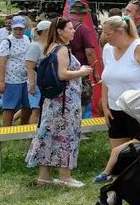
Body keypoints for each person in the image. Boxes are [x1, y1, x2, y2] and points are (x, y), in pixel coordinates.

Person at [95, 15, 140, 183]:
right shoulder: (108, 50)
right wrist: (105, 104)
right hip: (114, 107)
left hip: (137, 109)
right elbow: (107, 78)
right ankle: (117, 192)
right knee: (118, 154)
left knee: (137, 154)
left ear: (119, 32)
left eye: (107, 33)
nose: (104, 37)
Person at [26, 17, 91, 187]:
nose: (73, 31)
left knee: (48, 134)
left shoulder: (50, 47)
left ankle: (44, 176)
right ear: (60, 31)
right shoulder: (61, 49)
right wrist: (82, 71)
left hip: (54, 100)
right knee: (65, 135)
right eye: (70, 28)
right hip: (65, 102)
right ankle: (65, 177)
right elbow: (62, 74)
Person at [0, 16, 36, 126]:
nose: (18, 31)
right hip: (11, 79)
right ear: (12, 29)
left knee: (28, 106)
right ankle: (6, 132)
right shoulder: (6, 42)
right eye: (16, 29)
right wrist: (1, 81)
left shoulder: (27, 39)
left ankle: (23, 128)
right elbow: (2, 63)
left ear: (25, 28)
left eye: (20, 29)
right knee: (9, 107)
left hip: (26, 78)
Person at [67, 0, 101, 118]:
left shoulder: (61, 26)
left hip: (63, 69)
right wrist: (96, 72)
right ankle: (79, 127)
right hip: (80, 70)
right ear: (82, 14)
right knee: (83, 98)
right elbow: (90, 53)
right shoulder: (83, 29)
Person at [22, 18, 52, 128]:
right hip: (36, 83)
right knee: (36, 110)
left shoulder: (48, 45)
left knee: (44, 110)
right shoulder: (35, 46)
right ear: (45, 31)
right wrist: (32, 84)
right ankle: (33, 135)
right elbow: (30, 66)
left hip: (45, 83)